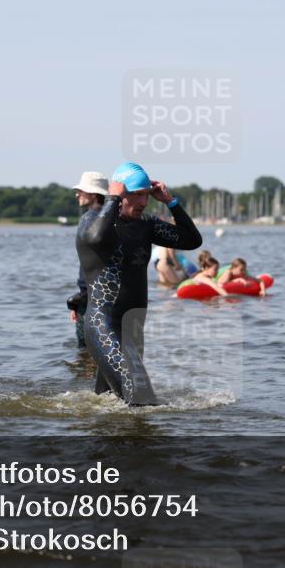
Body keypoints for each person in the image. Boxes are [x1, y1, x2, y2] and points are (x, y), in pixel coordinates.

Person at [76, 161, 202, 405]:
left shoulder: (146, 224)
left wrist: (171, 202)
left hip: (133, 328)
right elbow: (96, 238)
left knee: (107, 403)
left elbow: (191, 240)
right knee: (142, 399)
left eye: (146, 195)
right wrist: (112, 198)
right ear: (120, 193)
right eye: (137, 194)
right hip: (104, 325)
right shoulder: (92, 220)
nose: (144, 201)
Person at [67, 171, 108, 348]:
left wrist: (80, 299)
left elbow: (91, 265)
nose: (77, 194)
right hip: (106, 294)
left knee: (86, 349)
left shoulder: (89, 218)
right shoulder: (111, 219)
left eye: (81, 191)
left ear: (93, 194)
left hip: (91, 297)